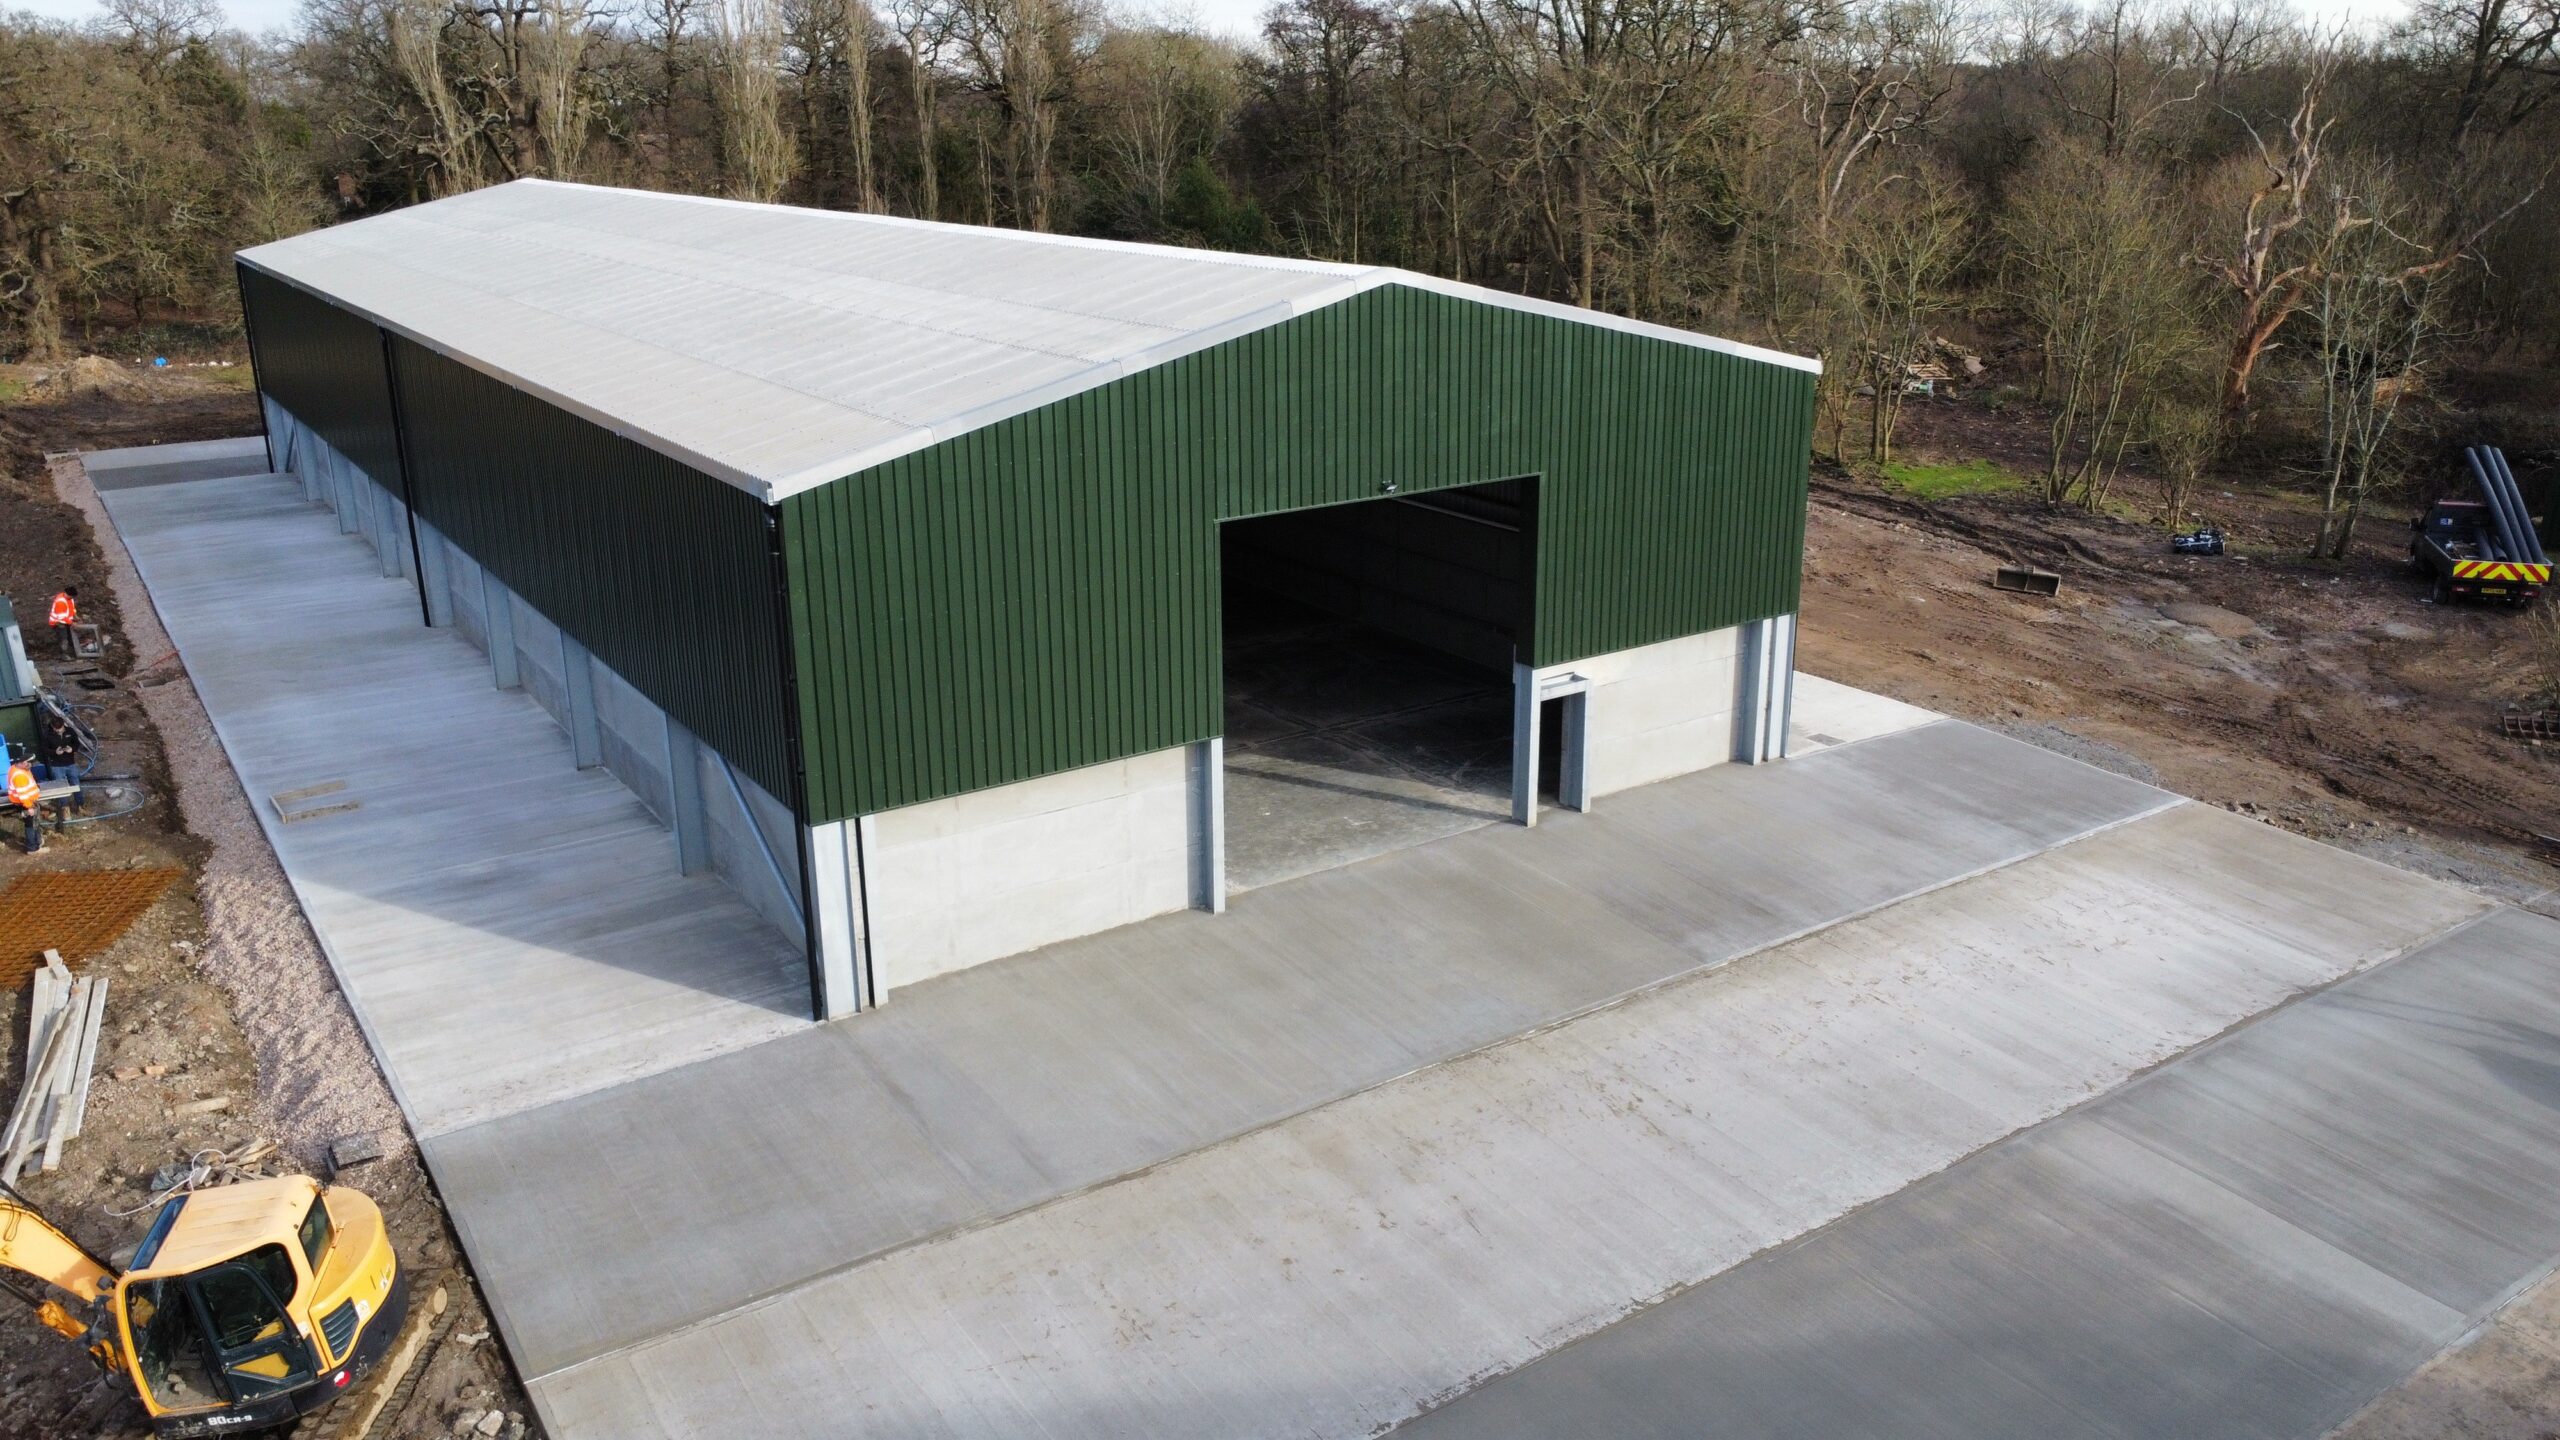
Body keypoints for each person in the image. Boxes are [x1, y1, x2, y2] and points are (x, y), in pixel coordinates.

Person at [8, 749, 41, 853]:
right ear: (24, 763)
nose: (31, 766)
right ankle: (32, 848)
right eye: (30, 764)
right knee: (31, 825)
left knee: (32, 824)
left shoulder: (15, 767)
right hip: (26, 803)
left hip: (27, 802)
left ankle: (36, 842)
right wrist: (29, 807)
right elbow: (23, 794)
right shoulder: (19, 776)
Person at [47, 586, 77, 657]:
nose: (72, 598)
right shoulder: (60, 602)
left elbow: (72, 609)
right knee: (64, 638)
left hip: (66, 621)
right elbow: (62, 617)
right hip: (58, 622)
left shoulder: (70, 599)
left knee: (70, 636)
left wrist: (76, 617)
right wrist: (72, 623)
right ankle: (64, 655)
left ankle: (73, 652)